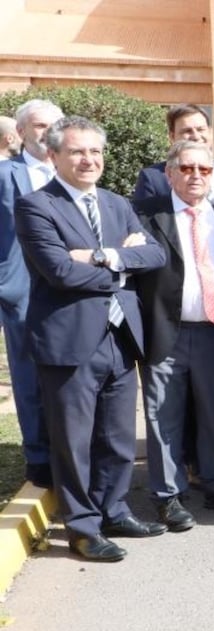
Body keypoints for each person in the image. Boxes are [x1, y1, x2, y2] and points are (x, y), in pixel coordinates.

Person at [15, 116, 168, 561]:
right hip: (68, 341)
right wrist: (123, 266)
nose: (89, 160)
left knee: (118, 437)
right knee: (74, 441)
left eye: (96, 152)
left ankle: (114, 509)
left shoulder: (116, 203)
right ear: (54, 155)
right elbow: (59, 272)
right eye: (78, 151)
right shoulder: (36, 206)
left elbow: (154, 254)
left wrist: (102, 256)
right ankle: (82, 527)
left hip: (120, 336)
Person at [136, 140, 214, 530]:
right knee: (162, 416)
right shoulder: (147, 217)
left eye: (203, 169)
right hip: (166, 332)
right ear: (169, 174)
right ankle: (168, 496)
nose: (195, 175)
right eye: (186, 168)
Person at [0, 98, 61, 489]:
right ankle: (39, 456)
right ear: (20, 132)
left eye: (53, 125)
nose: (46, 132)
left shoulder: (73, 173)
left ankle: (71, 450)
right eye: (38, 125)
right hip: (22, 289)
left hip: (68, 287)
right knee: (28, 374)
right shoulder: (5, 175)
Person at [132, 104, 214, 210]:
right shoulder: (152, 178)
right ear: (172, 137)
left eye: (200, 129)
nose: (196, 136)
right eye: (187, 131)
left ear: (210, 132)